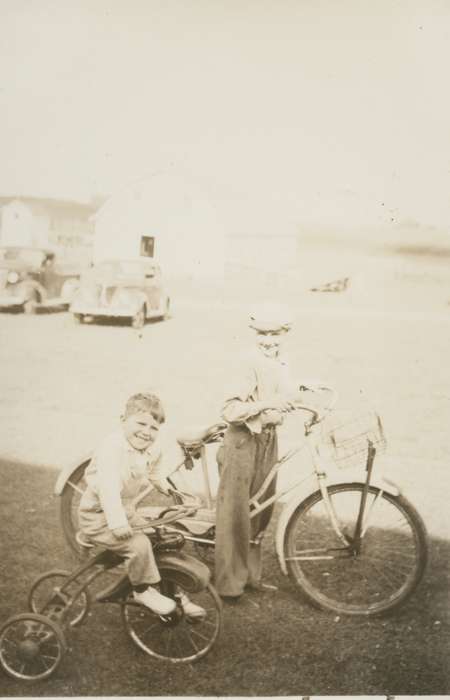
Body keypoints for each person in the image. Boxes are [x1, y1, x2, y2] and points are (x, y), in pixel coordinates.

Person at [78, 391, 204, 617]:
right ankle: (141, 590)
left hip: (124, 511)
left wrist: (173, 491)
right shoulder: (112, 448)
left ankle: (173, 593)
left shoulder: (149, 448)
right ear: (123, 421)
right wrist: (117, 523)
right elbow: (108, 489)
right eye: (141, 423)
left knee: (160, 537)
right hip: (98, 516)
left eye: (154, 428)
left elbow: (156, 474)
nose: (147, 432)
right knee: (139, 545)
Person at [214, 304, 302, 600]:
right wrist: (267, 405)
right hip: (242, 441)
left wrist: (304, 391)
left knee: (261, 509)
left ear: (285, 334)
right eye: (262, 333)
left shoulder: (281, 361)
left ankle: (251, 576)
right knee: (235, 513)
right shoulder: (247, 362)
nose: (268, 340)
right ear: (254, 335)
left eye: (275, 333)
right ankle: (228, 584)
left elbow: (286, 392)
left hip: (268, 439)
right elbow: (230, 410)